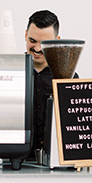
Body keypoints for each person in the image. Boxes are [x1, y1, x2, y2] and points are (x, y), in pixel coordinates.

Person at [25, 10, 61, 158]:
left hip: (55, 163)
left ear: (57, 40)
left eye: (45, 43)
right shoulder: (10, 73)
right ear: (25, 35)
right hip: (13, 164)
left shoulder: (65, 77)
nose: (38, 48)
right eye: (32, 40)